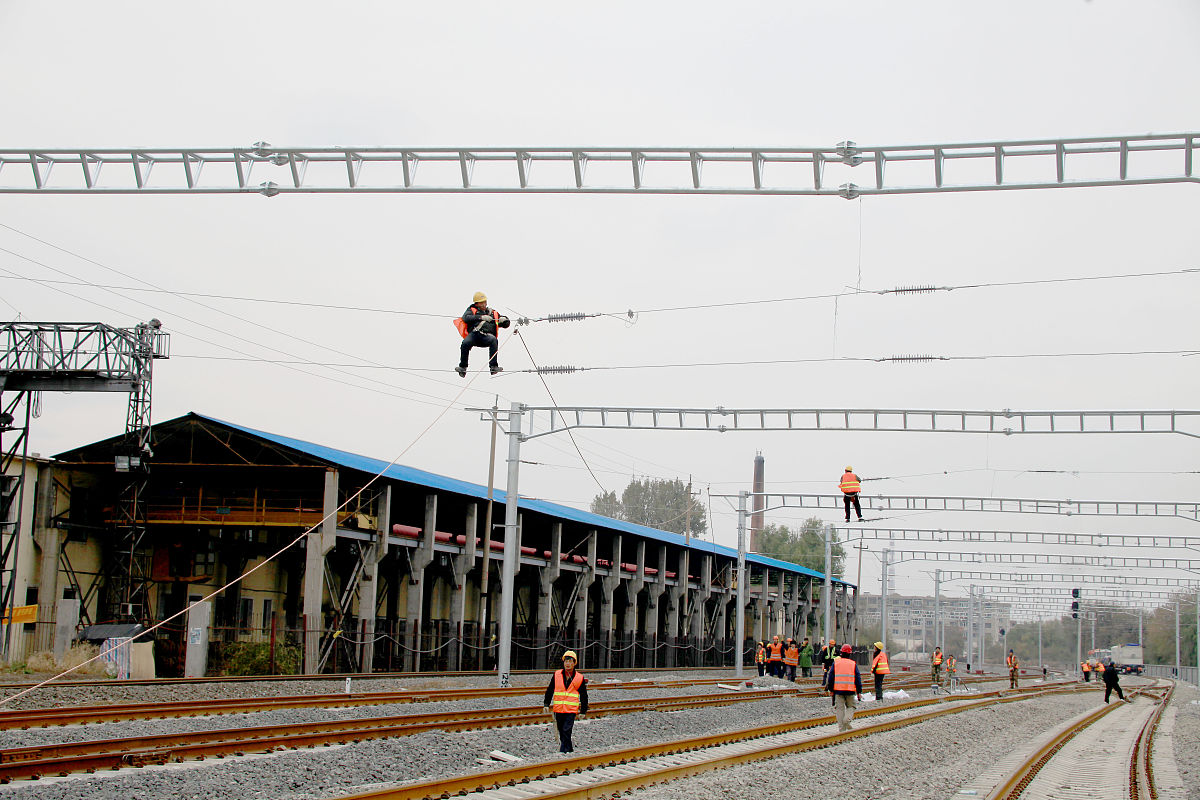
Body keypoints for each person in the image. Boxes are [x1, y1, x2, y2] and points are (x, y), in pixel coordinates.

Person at [454, 292, 511, 376]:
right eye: (481, 303)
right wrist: (481, 317)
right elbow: (466, 318)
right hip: (475, 335)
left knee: (493, 340)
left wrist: (505, 320)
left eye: (484, 302)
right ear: (476, 304)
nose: (483, 304)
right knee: (465, 343)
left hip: (486, 337)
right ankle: (463, 367)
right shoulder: (472, 310)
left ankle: (493, 367)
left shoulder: (493, 313)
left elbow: (505, 324)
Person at [542, 650, 588, 753]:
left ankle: (563, 752)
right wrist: (546, 704)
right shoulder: (557, 675)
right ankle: (570, 750)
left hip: (570, 710)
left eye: (570, 661)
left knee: (566, 730)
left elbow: (584, 696)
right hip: (558, 709)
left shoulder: (579, 678)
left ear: (574, 663)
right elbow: (550, 689)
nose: (567, 663)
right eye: (566, 661)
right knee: (562, 732)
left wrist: (583, 711)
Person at [824, 643, 863, 731]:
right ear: (850, 653)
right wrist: (859, 691)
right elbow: (858, 678)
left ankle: (841, 729)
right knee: (851, 706)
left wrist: (831, 689)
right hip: (850, 690)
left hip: (838, 690)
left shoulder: (836, 663)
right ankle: (847, 720)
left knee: (839, 709)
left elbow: (830, 677)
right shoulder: (853, 664)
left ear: (841, 653)